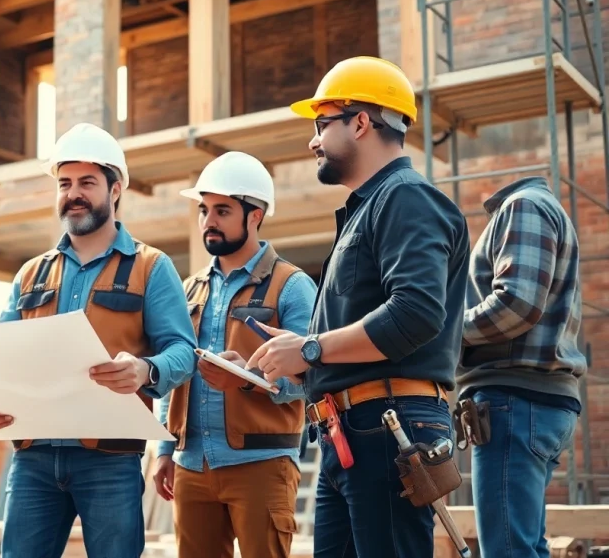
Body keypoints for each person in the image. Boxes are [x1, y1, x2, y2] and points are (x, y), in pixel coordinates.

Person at [247, 56, 471, 558]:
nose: (312, 140)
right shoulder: (368, 211)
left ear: (362, 122)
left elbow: (414, 313)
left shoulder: (406, 199)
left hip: (388, 427)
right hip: (351, 431)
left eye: (321, 125)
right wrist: (291, 363)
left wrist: (308, 347)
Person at [0, 122, 197, 558]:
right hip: (33, 462)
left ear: (114, 191)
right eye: (65, 183)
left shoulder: (151, 267)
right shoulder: (31, 274)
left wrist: (145, 369)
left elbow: (184, 352)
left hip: (110, 461)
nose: (73, 193)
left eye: (87, 182)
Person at [153, 151, 318, 558]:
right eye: (204, 209)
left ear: (255, 215)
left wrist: (249, 383)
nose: (208, 220)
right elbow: (175, 370)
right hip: (191, 467)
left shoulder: (292, 287)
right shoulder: (188, 289)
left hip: (262, 465)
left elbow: (314, 378)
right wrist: (163, 450)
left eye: (222, 210)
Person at [459, 176, 585, 558]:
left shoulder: (523, 205)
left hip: (515, 401)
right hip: (531, 403)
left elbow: (517, 304)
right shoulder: (534, 207)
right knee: (526, 547)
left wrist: (443, 332)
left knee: (508, 552)